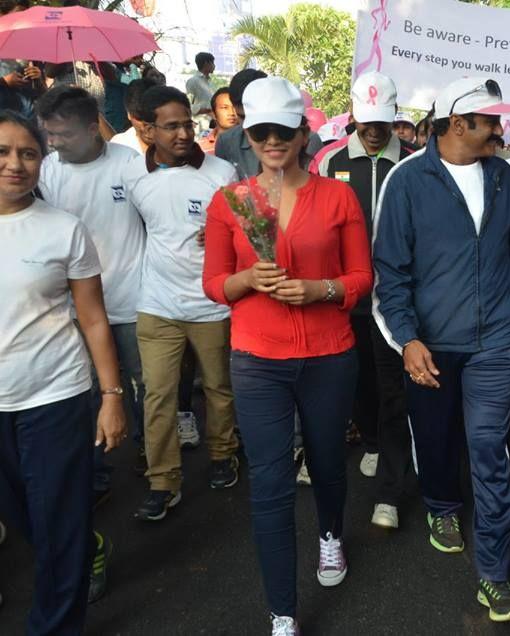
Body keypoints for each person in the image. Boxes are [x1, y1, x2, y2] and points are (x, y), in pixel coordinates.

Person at [203, 76, 372, 636]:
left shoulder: (337, 196)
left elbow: (360, 277)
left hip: (329, 354)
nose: (273, 141)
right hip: (258, 358)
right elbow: (214, 284)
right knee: (271, 483)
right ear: (247, 136)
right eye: (260, 132)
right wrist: (248, 277)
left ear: (304, 133)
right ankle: (283, 610)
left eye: (283, 130)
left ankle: (330, 533)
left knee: (327, 464)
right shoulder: (231, 202)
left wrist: (321, 290)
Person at [373, 76, 510, 622]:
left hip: (497, 339)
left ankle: (494, 575)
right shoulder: (406, 180)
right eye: (491, 121)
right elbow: (390, 273)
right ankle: (442, 504)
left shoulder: (503, 180)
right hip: (432, 342)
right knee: (436, 434)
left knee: (489, 449)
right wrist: (407, 340)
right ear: (458, 123)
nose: (500, 129)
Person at [0, 110, 126, 635]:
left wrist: (112, 396)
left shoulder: (63, 229)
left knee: (58, 525)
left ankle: (54, 626)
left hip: (55, 395)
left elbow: (94, 319)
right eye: (3, 153)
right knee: (25, 520)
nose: (15, 164)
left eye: (28, 153)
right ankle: (83, 543)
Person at [124, 86, 240, 522]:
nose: (183, 133)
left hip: (211, 304)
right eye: (171, 126)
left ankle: (222, 455)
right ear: (148, 129)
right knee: (158, 395)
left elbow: (247, 231)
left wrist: (223, 236)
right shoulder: (134, 177)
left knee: (218, 389)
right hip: (156, 305)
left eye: (188, 124)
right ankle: (163, 482)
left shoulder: (222, 173)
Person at [35, 86, 146, 513]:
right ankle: (96, 473)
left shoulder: (129, 163)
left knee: (143, 387)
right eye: (49, 134)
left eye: (63, 134)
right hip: (76, 309)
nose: (55, 143)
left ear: (90, 127)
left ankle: (148, 452)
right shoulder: (47, 171)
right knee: (86, 395)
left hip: (132, 297)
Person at [317, 71, 416, 529]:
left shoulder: (414, 165)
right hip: (349, 299)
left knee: (395, 389)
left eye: (383, 121)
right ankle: (373, 442)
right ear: (353, 114)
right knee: (360, 383)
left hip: (397, 300)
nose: (374, 130)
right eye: (366, 121)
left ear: (395, 115)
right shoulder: (329, 163)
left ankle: (391, 493)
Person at [215, 68, 267, 178]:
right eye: (243, 117)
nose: (250, 125)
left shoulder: (302, 141)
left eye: (256, 117)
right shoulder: (226, 143)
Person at [109, 78, 158, 155]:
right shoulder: (118, 146)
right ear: (128, 114)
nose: (146, 126)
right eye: (139, 118)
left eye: (150, 118)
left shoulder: (177, 142)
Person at [199, 87, 238, 154]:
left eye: (235, 107)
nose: (231, 113)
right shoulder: (200, 148)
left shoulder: (253, 144)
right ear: (214, 114)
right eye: (225, 108)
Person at [185, 52, 215, 118]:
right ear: (206, 63)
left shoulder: (210, 82)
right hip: (201, 123)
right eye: (212, 63)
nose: (214, 66)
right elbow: (188, 105)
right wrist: (207, 110)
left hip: (213, 121)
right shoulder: (193, 81)